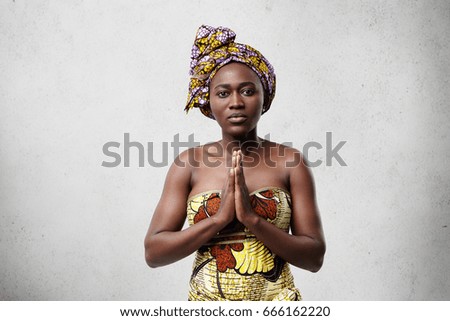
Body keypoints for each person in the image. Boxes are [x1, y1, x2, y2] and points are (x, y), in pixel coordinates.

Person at [144, 25, 325, 301]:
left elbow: (314, 258)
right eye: (223, 93)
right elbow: (154, 253)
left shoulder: (291, 163)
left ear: (264, 97)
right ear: (209, 101)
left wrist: (252, 219)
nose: (236, 102)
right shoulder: (188, 165)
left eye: (248, 91)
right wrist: (218, 219)